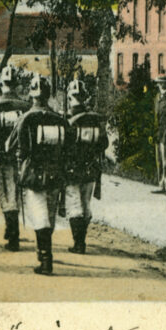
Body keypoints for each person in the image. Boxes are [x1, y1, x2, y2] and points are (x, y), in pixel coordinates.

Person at [5, 75, 70, 275]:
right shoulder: (60, 119)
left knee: (40, 216)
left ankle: (45, 259)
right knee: (49, 216)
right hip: (56, 174)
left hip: (34, 174)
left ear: (32, 95)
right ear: (48, 95)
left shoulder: (25, 119)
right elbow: (69, 148)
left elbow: (11, 146)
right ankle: (44, 255)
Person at [0, 65, 30, 251]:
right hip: (21, 158)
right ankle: (12, 230)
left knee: (6, 193)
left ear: (1, 84)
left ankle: (13, 233)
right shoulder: (25, 107)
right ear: (16, 85)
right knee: (15, 193)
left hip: (2, 157)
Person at [64, 79, 109, 254]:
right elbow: (103, 143)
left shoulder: (68, 120)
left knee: (74, 204)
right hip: (91, 167)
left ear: (69, 98)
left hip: (73, 168)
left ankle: (78, 243)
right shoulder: (94, 119)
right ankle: (81, 240)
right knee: (86, 203)